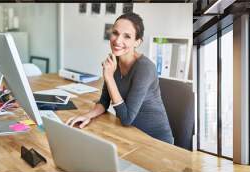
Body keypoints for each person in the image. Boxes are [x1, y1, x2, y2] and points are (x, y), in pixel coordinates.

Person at [66, 12, 174, 144]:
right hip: (130, 135)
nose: (117, 40)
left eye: (127, 36)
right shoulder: (114, 62)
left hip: (156, 141)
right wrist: (87, 116)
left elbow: (127, 118)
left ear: (137, 42)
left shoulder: (145, 68)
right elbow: (104, 102)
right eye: (115, 33)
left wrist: (109, 77)